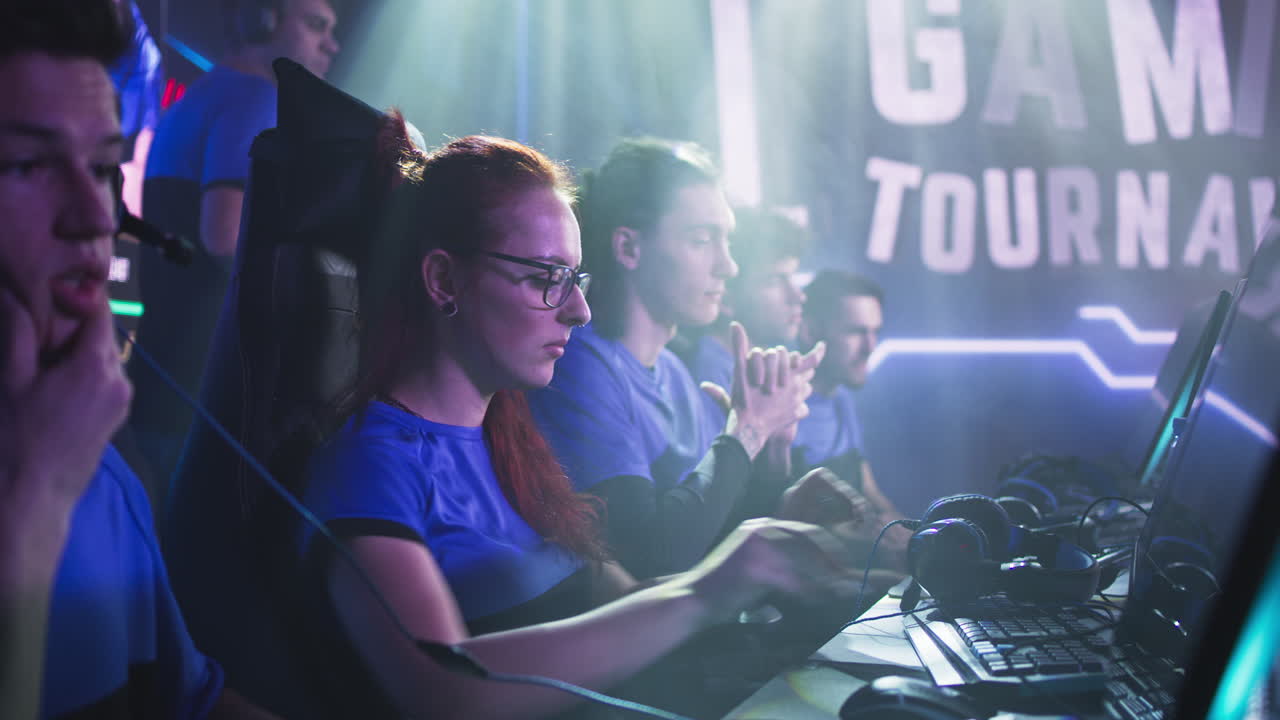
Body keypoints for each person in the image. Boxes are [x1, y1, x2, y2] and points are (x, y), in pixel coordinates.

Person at [288, 125, 861, 719]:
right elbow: (441, 686)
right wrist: (704, 593)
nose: (579, 309)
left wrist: (771, 555)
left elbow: (628, 601)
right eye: (545, 278)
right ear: (444, 280)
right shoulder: (370, 462)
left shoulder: (514, 444)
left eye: (576, 279)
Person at [0, 2, 279, 717]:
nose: (97, 216)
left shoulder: (93, 458)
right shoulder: (62, 459)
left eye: (103, 167)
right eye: (28, 163)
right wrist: (36, 498)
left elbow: (188, 702)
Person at [528, 138, 859, 580]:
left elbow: (714, 536)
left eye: (727, 242)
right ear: (629, 249)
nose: (728, 266)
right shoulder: (579, 367)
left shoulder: (675, 374)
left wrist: (774, 459)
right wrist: (749, 430)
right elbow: (649, 554)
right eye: (702, 240)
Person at [129, 0, 340, 498]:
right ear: (260, 21)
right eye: (315, 26)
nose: (331, 43)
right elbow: (225, 238)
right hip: (199, 385)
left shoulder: (200, 97)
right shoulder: (254, 99)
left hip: (166, 373)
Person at [797, 270, 910, 568]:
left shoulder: (842, 400)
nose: (871, 346)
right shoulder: (781, 408)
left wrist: (909, 533)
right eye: (856, 331)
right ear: (810, 331)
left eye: (875, 331)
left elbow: (869, 491)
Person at [676, 205, 810, 414]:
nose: (798, 296)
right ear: (726, 296)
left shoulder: (760, 367)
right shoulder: (708, 374)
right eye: (774, 281)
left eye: (792, 278)